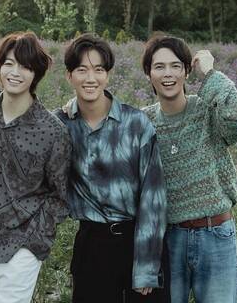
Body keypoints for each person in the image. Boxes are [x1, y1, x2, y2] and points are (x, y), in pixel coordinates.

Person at [141, 34, 237, 303]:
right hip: (168, 240)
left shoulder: (208, 110)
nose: (168, 74)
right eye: (159, 67)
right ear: (148, 74)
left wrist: (211, 74)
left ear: (187, 71)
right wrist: (73, 106)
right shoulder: (143, 121)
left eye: (175, 66)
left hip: (216, 234)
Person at [55, 35, 168, 302]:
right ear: (69, 76)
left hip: (137, 241)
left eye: (98, 70)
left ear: (108, 75)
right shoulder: (60, 125)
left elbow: (154, 197)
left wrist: (146, 267)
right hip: (91, 244)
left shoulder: (135, 123)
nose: (90, 78)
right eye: (81, 70)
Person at [0, 32, 71, 303]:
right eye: (9, 63)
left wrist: (34, 242)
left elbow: (60, 196)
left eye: (25, 66)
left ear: (36, 74)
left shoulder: (52, 131)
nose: (15, 72)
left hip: (20, 249)